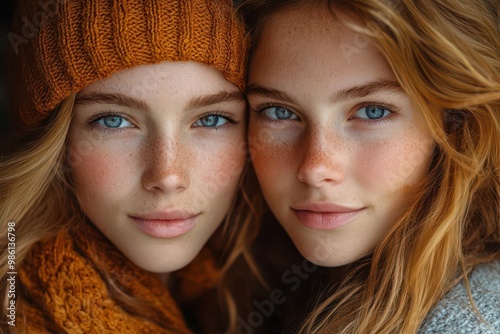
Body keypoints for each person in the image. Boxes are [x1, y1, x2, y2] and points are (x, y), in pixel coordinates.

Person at [228, 0, 500, 333]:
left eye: (372, 111)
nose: (315, 167)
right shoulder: (240, 285)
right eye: (279, 112)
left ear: (452, 123)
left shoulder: (471, 322)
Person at [0, 0, 248, 332]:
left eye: (211, 119)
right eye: (114, 121)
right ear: (56, 143)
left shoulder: (261, 279)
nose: (168, 176)